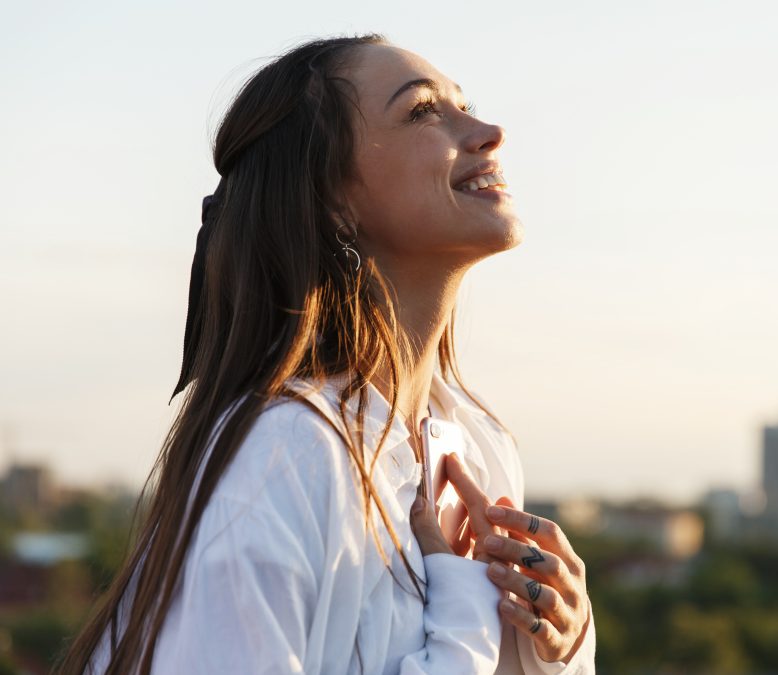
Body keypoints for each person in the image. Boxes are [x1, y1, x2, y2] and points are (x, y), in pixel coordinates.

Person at [55, 33, 595, 674]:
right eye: (423, 111)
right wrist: (467, 619)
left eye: (464, 104)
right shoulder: (283, 457)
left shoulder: (479, 446)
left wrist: (559, 646)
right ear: (333, 196)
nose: (489, 131)